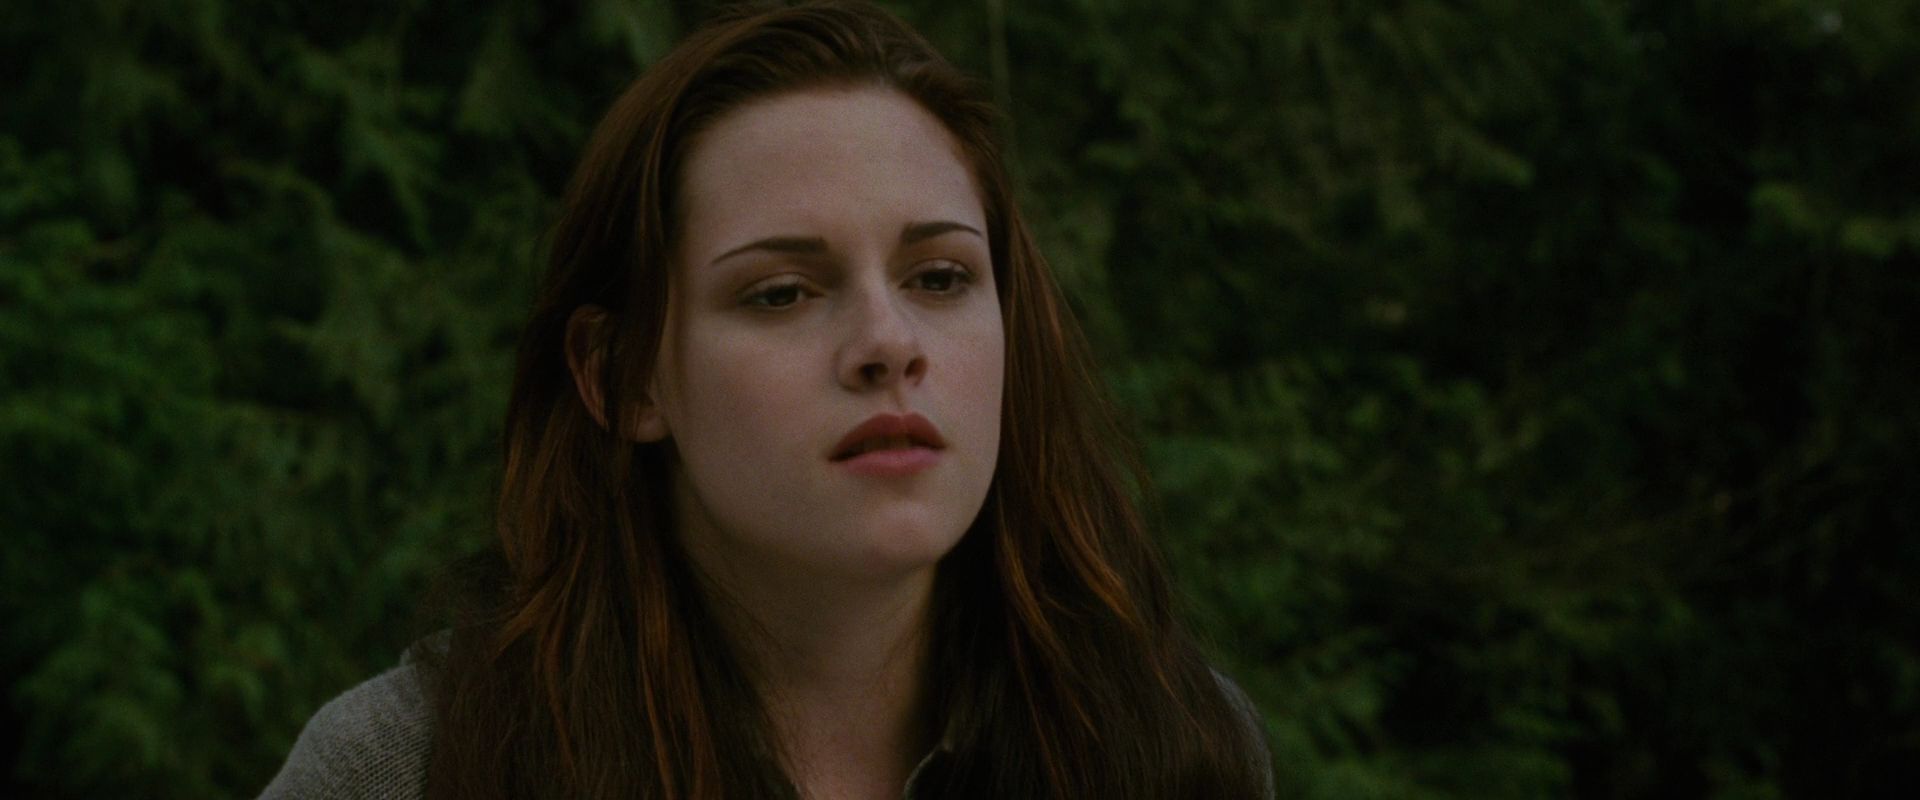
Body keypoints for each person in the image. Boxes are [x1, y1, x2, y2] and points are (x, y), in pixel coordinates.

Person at [260, 2, 1272, 798]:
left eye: (939, 277)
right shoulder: (416, 768)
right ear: (622, 377)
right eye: (781, 292)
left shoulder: (1166, 746)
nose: (889, 344)